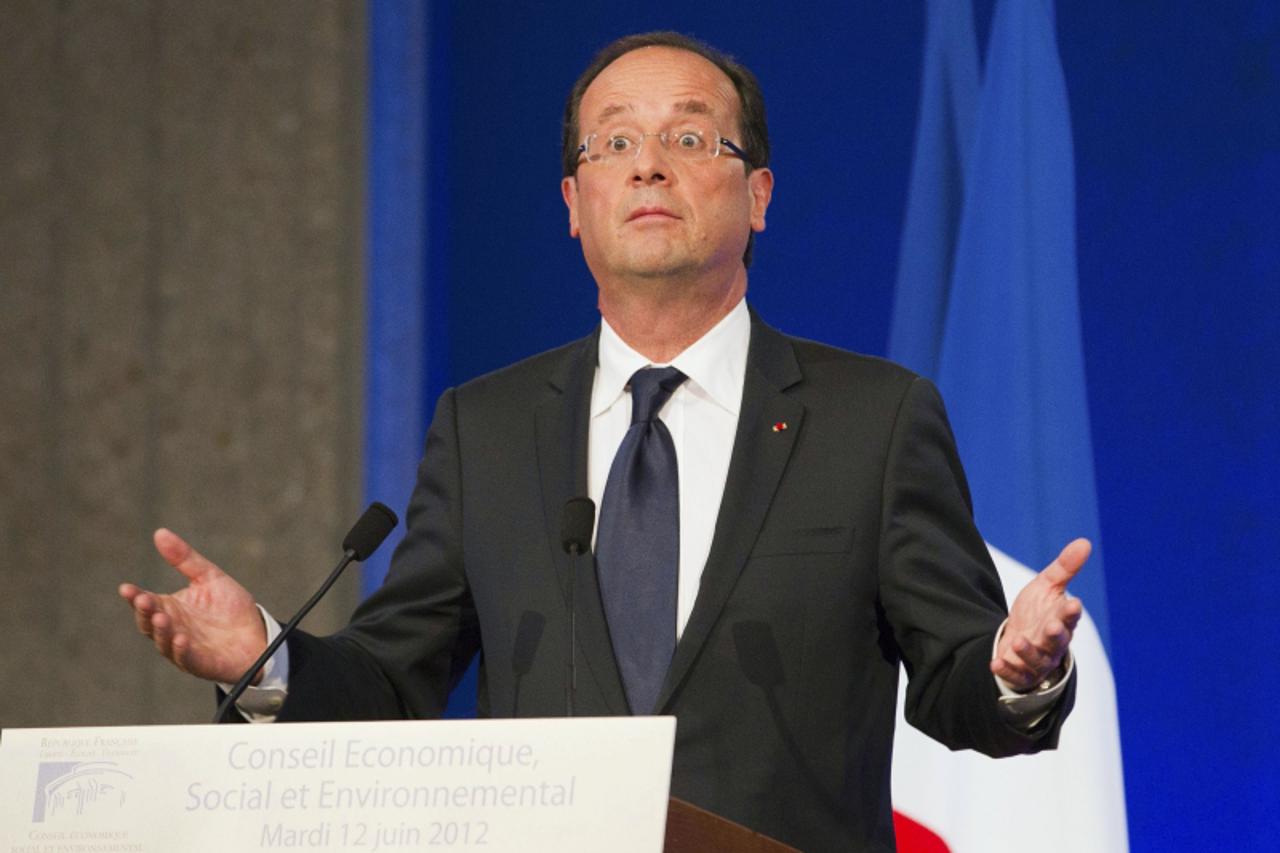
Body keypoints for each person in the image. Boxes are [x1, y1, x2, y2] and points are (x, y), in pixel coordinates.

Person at [120, 32, 1086, 852]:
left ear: (758, 195)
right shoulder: (486, 429)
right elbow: (391, 680)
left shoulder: (873, 419)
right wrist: (270, 657)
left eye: (689, 137)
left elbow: (960, 682)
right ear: (575, 205)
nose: (648, 163)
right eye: (614, 140)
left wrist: (1016, 666)